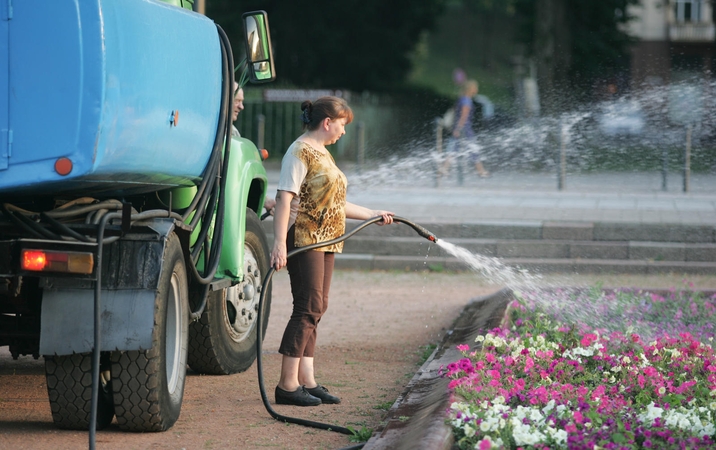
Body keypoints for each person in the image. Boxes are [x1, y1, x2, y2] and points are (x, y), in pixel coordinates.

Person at [270, 96, 394, 407]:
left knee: (317, 308)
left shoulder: (322, 154)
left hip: (327, 241)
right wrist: (279, 244)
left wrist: (372, 213)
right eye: (342, 125)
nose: (344, 131)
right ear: (327, 122)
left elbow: (335, 202)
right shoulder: (299, 152)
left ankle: (307, 381)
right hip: (305, 239)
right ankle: (287, 385)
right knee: (307, 308)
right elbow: (284, 198)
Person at [441, 79, 490, 178]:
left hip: (461, 128)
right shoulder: (466, 100)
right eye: (475, 87)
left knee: (454, 149)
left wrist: (457, 128)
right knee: (472, 149)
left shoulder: (462, 99)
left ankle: (444, 169)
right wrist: (458, 129)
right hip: (464, 129)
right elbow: (464, 116)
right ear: (471, 89)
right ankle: (481, 171)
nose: (477, 89)